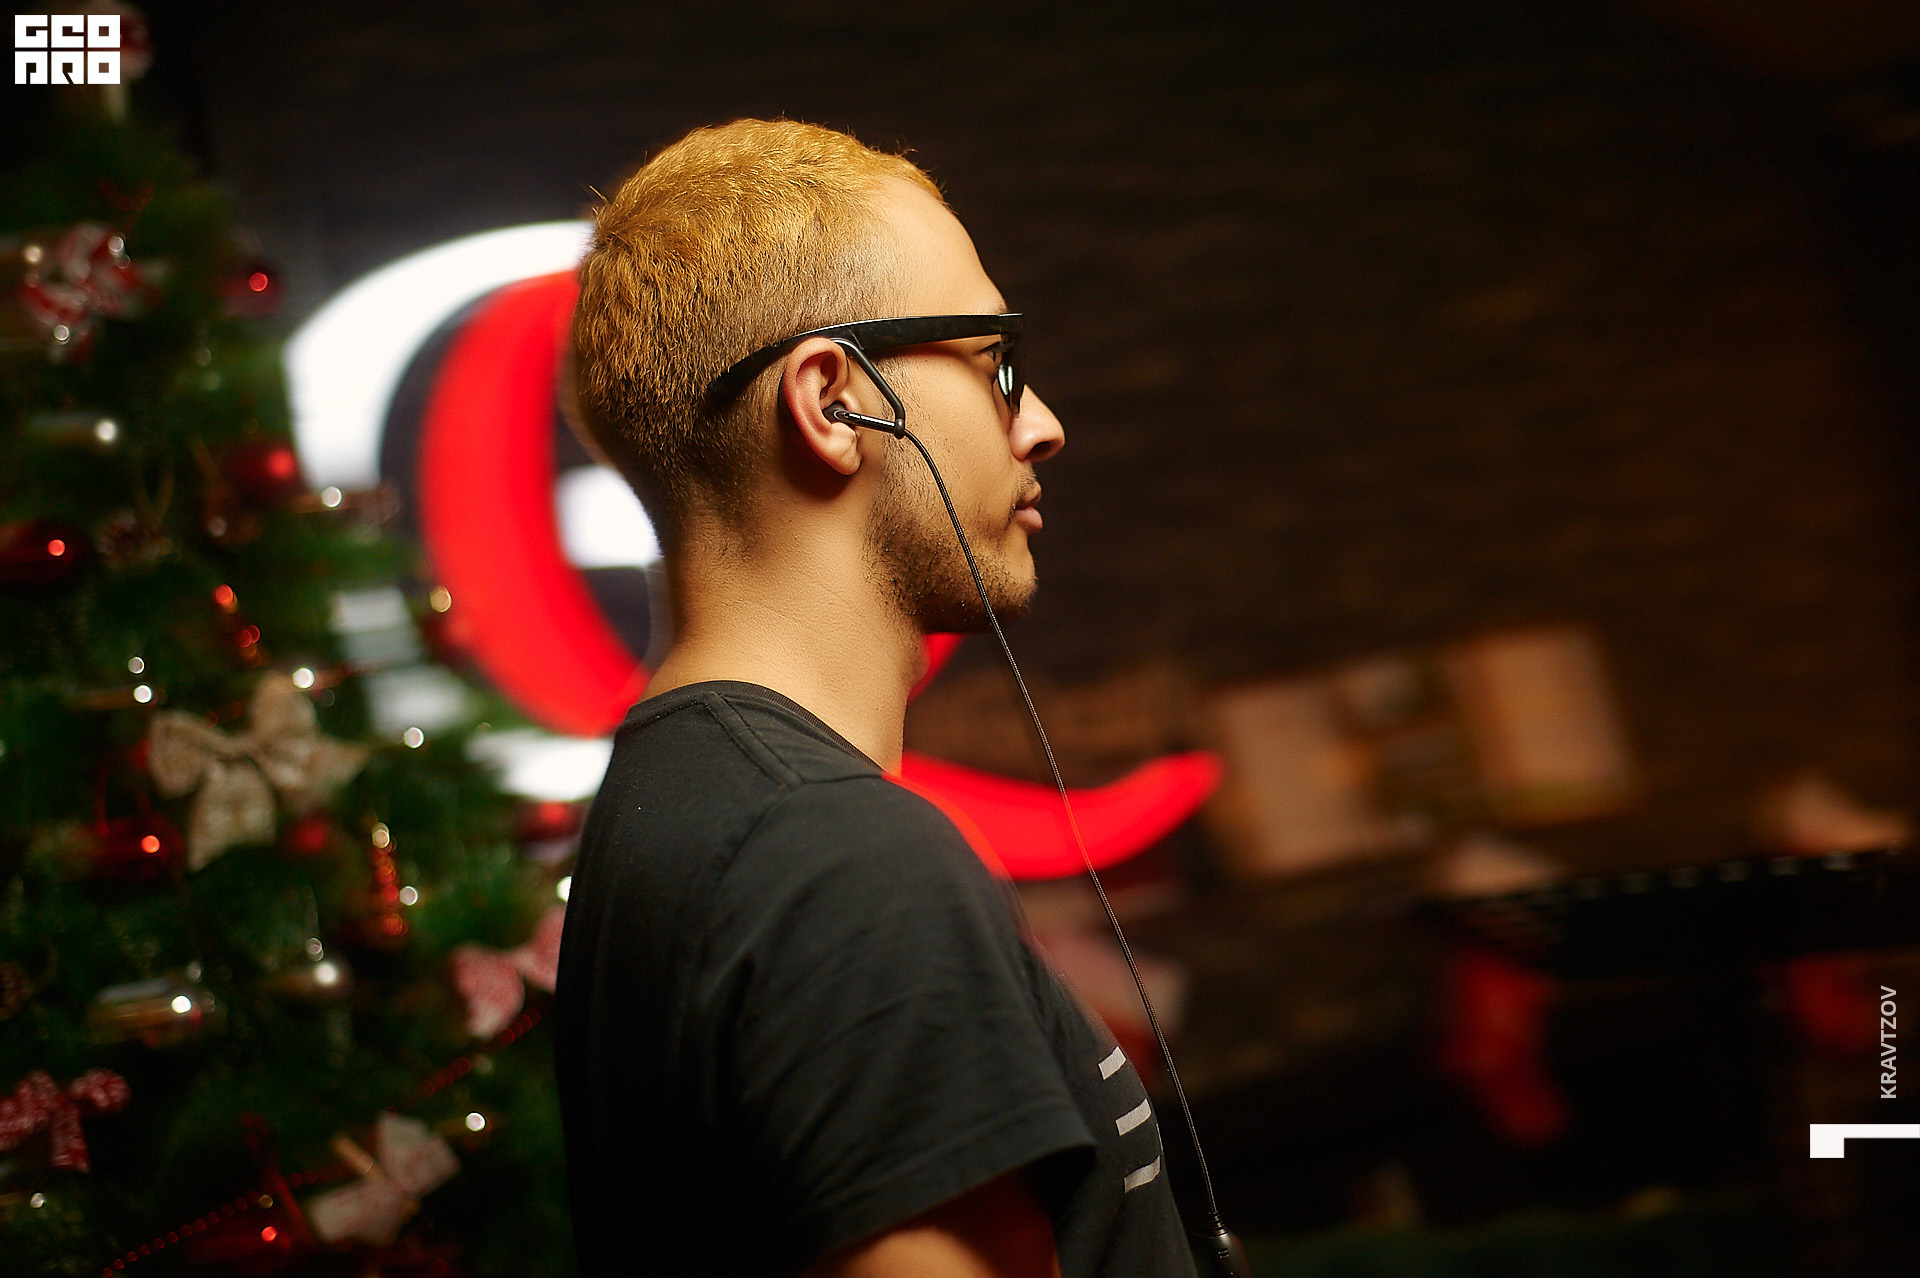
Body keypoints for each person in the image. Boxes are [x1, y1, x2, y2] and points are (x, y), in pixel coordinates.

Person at [555, 118, 1199, 1278]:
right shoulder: (836, 861)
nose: (1042, 422)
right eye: (994, 361)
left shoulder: (684, 811)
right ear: (833, 401)